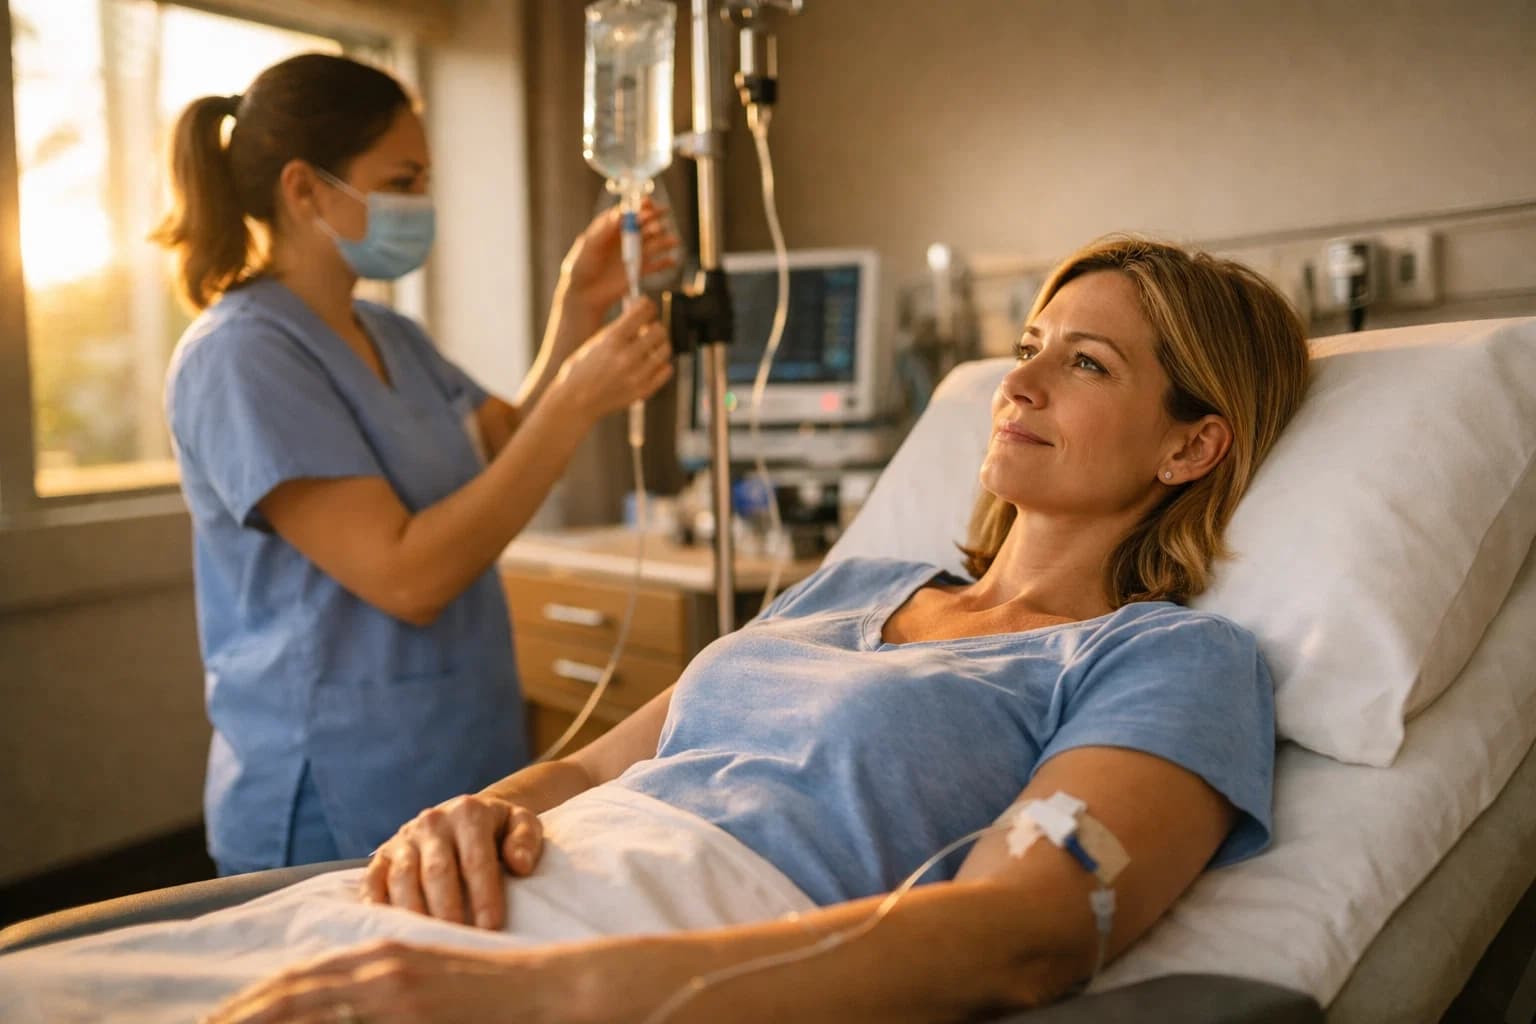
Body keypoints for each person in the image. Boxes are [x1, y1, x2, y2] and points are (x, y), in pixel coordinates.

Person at [157, 53, 677, 877]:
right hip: (334, 788)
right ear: (305, 189)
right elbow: (407, 577)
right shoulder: (240, 357)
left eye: (425, 180)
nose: (422, 204)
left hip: (454, 753)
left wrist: (578, 305)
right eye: (402, 180)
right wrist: (579, 402)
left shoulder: (388, 335)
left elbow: (498, 441)